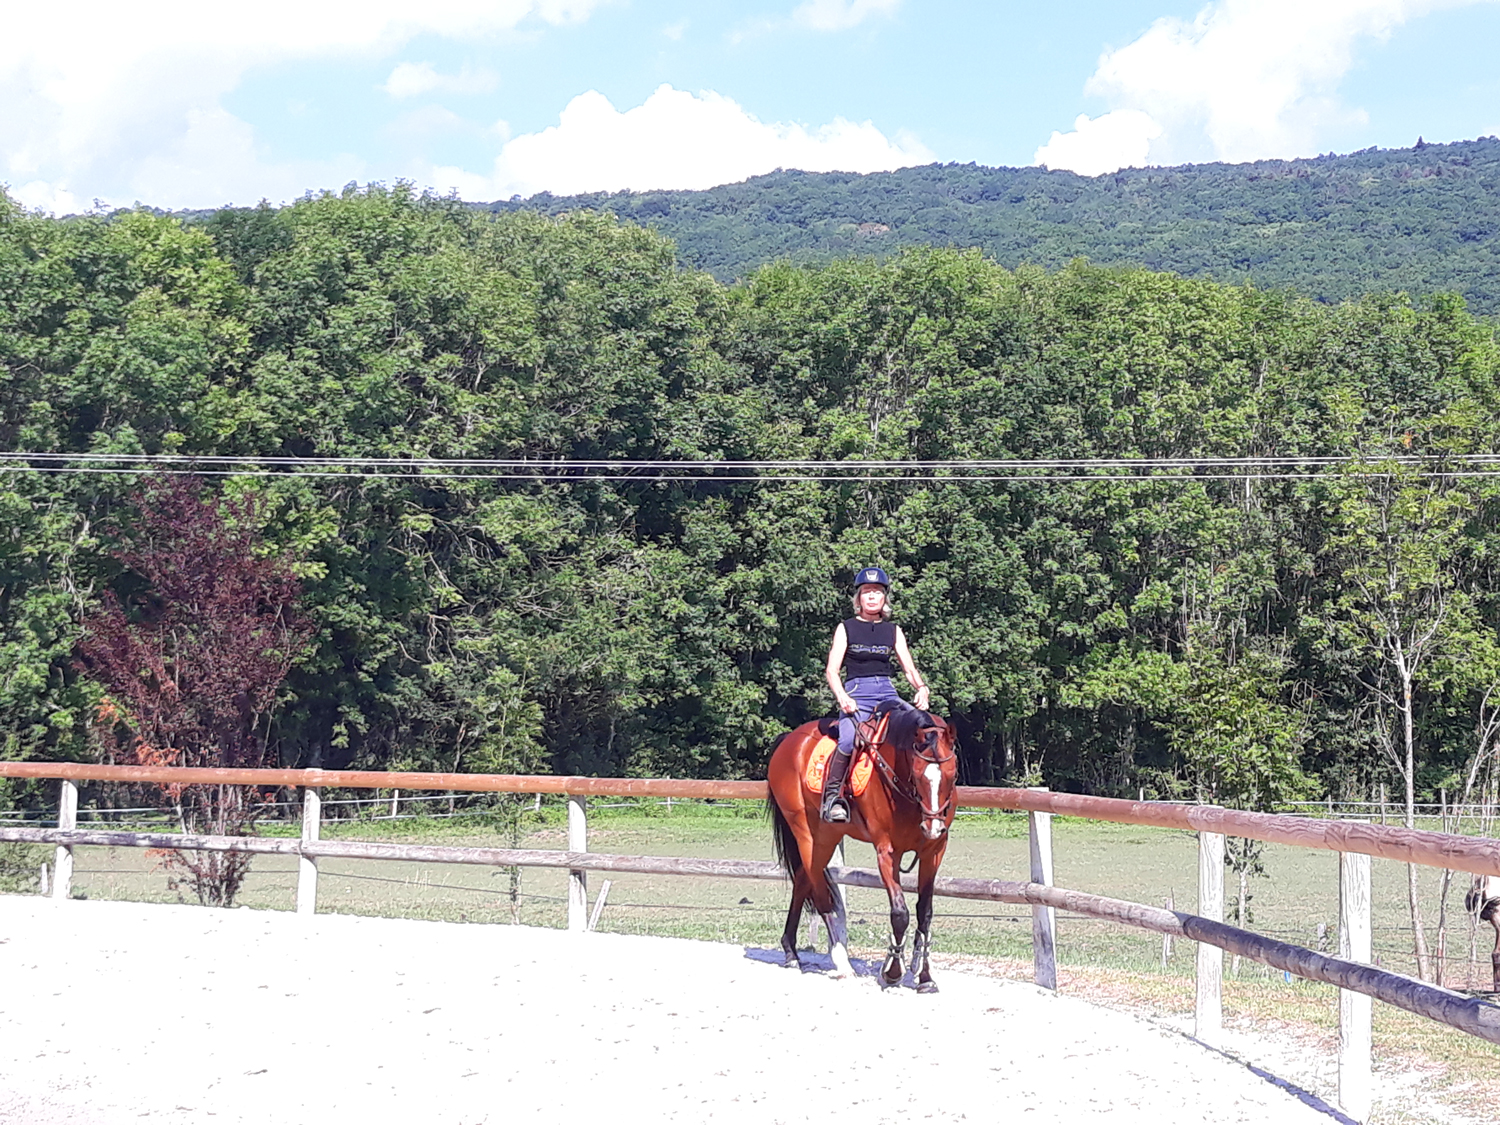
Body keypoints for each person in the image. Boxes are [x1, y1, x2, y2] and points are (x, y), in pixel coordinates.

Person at [820, 566, 931, 823]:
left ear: (885, 598)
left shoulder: (893, 630)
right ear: (858, 598)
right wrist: (842, 697)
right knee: (848, 741)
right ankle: (833, 797)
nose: (871, 597)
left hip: (887, 692)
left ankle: (922, 795)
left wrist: (922, 688)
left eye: (877, 592)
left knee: (922, 728)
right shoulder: (845, 628)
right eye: (867, 592)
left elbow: (909, 669)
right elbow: (832, 670)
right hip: (857, 691)